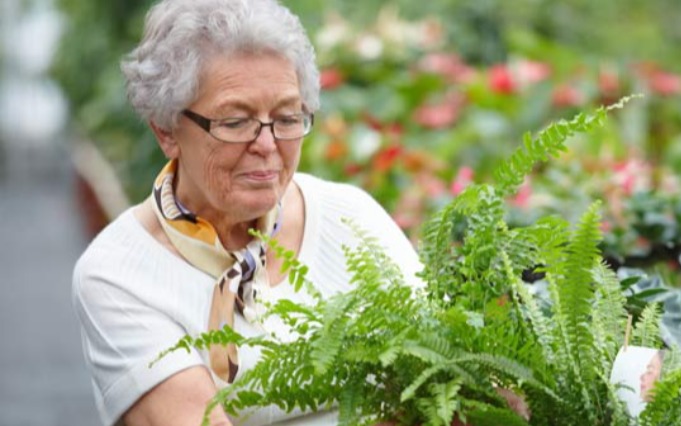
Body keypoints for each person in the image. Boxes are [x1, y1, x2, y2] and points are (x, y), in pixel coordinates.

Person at [71, 0, 422, 425]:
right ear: (166, 131)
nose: (267, 144)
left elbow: (448, 373)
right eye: (236, 122)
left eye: (287, 117)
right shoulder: (119, 274)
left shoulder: (351, 218)